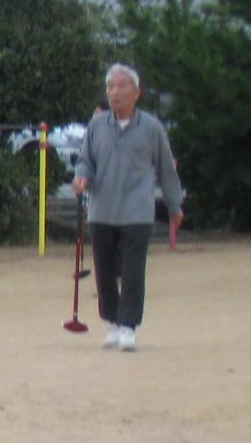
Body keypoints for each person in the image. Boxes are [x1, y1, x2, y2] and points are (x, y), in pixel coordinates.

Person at [71, 62, 183, 352]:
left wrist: (174, 205)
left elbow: (166, 170)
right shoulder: (97, 125)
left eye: (122, 86)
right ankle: (111, 321)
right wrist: (81, 176)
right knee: (104, 270)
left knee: (133, 272)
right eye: (110, 86)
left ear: (136, 93)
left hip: (137, 211)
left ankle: (128, 326)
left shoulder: (151, 127)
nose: (114, 92)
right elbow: (85, 160)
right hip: (101, 210)